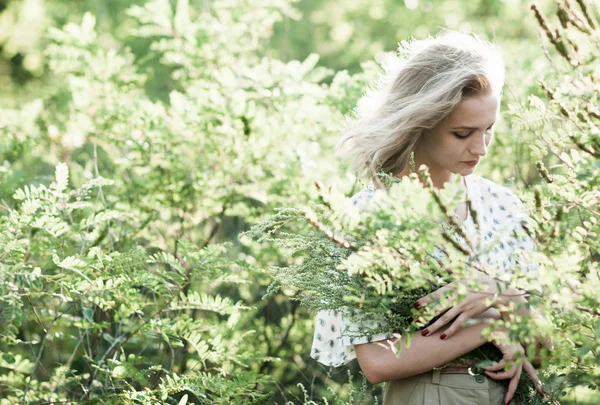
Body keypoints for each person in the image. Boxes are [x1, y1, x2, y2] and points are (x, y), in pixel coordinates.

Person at [310, 32, 550, 405]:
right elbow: (376, 361)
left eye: (489, 130)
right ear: (421, 123)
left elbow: (542, 350)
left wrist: (501, 295)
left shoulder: (504, 206)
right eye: (462, 133)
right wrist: (490, 325)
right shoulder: (369, 217)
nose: (481, 148)